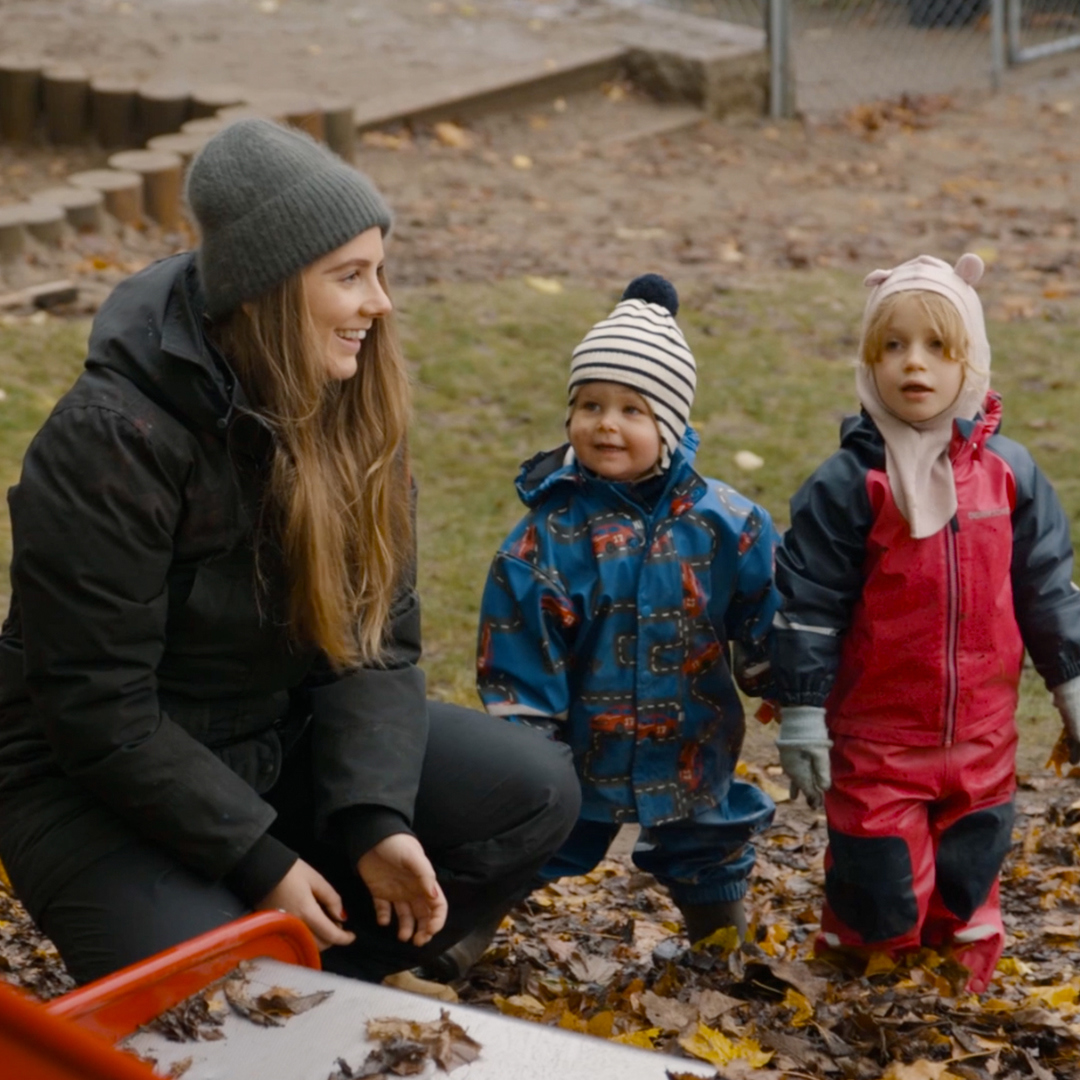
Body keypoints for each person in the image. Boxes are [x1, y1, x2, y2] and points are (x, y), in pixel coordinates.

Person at [0, 118, 580, 986]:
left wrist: (375, 817)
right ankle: (244, 940)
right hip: (85, 782)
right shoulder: (111, 441)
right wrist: (258, 859)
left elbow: (379, 639)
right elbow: (99, 709)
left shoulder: (350, 400)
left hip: (269, 734)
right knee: (219, 993)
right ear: (266, 291)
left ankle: (340, 972)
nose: (379, 303)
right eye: (349, 277)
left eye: (379, 272)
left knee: (534, 791)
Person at [770, 253, 1080, 992]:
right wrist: (803, 711)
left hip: (982, 735)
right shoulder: (850, 483)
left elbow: (1047, 589)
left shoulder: (1010, 474)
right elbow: (809, 603)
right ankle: (867, 988)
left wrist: (1071, 687)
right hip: (879, 736)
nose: (916, 365)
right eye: (894, 346)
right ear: (869, 361)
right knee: (877, 879)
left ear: (971, 362)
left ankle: (960, 993)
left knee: (971, 877)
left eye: (940, 348)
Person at [475, 275, 779, 946]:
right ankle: (453, 946)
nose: (606, 423)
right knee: (528, 843)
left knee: (708, 843)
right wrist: (532, 746)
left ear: (669, 426)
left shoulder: (728, 524)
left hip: (692, 743)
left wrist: (784, 684)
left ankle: (717, 947)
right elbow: (521, 649)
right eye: (589, 404)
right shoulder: (545, 541)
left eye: (632, 410)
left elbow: (764, 609)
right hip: (580, 749)